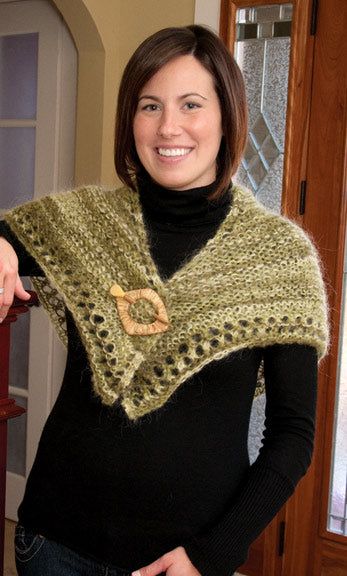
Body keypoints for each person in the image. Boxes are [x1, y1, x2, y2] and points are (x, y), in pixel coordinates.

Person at [0, 25, 328, 576]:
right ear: (130, 122)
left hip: (180, 561)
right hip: (51, 544)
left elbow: (292, 436)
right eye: (149, 105)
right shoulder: (81, 224)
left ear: (227, 117)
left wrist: (215, 551)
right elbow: (8, 236)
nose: (168, 127)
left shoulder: (280, 260)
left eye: (191, 104)